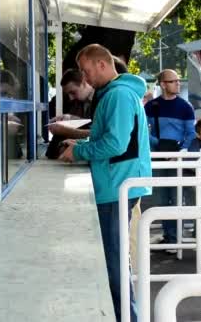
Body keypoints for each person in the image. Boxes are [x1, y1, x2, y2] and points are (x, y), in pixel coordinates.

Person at [58, 44, 151, 322]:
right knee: (116, 262)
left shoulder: (118, 95)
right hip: (117, 183)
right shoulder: (116, 93)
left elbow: (115, 143)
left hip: (115, 186)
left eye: (86, 71)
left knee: (115, 266)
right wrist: (83, 143)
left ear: (101, 65)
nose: (85, 79)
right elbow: (112, 139)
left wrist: (79, 151)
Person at [145, 69, 195, 249]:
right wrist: (158, 144)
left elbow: (191, 133)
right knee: (160, 198)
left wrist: (179, 152)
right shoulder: (151, 106)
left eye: (178, 80)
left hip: (176, 157)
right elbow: (144, 130)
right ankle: (170, 236)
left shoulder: (185, 106)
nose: (178, 83)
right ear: (163, 84)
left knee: (175, 197)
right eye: (173, 81)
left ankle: (174, 238)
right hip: (158, 156)